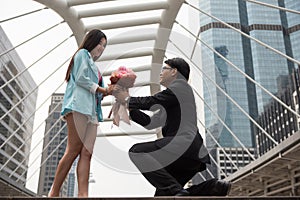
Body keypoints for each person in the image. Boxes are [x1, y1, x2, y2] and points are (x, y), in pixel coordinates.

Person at [113, 57, 231, 196]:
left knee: (137, 151)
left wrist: (127, 99)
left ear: (174, 71)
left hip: (183, 146)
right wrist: (130, 108)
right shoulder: (173, 98)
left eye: (164, 69)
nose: (161, 73)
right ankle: (211, 187)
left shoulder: (180, 86)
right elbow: (150, 123)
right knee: (164, 197)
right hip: (189, 154)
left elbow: (152, 101)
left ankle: (179, 190)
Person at [48, 29, 113, 197]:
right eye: (100, 43)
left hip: (92, 113)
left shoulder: (96, 68)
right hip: (78, 107)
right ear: (91, 41)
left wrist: (109, 91)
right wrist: (102, 89)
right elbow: (82, 78)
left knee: (87, 153)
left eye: (104, 46)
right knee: (73, 149)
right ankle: (54, 192)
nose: (101, 48)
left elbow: (96, 93)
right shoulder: (82, 54)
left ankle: (83, 194)